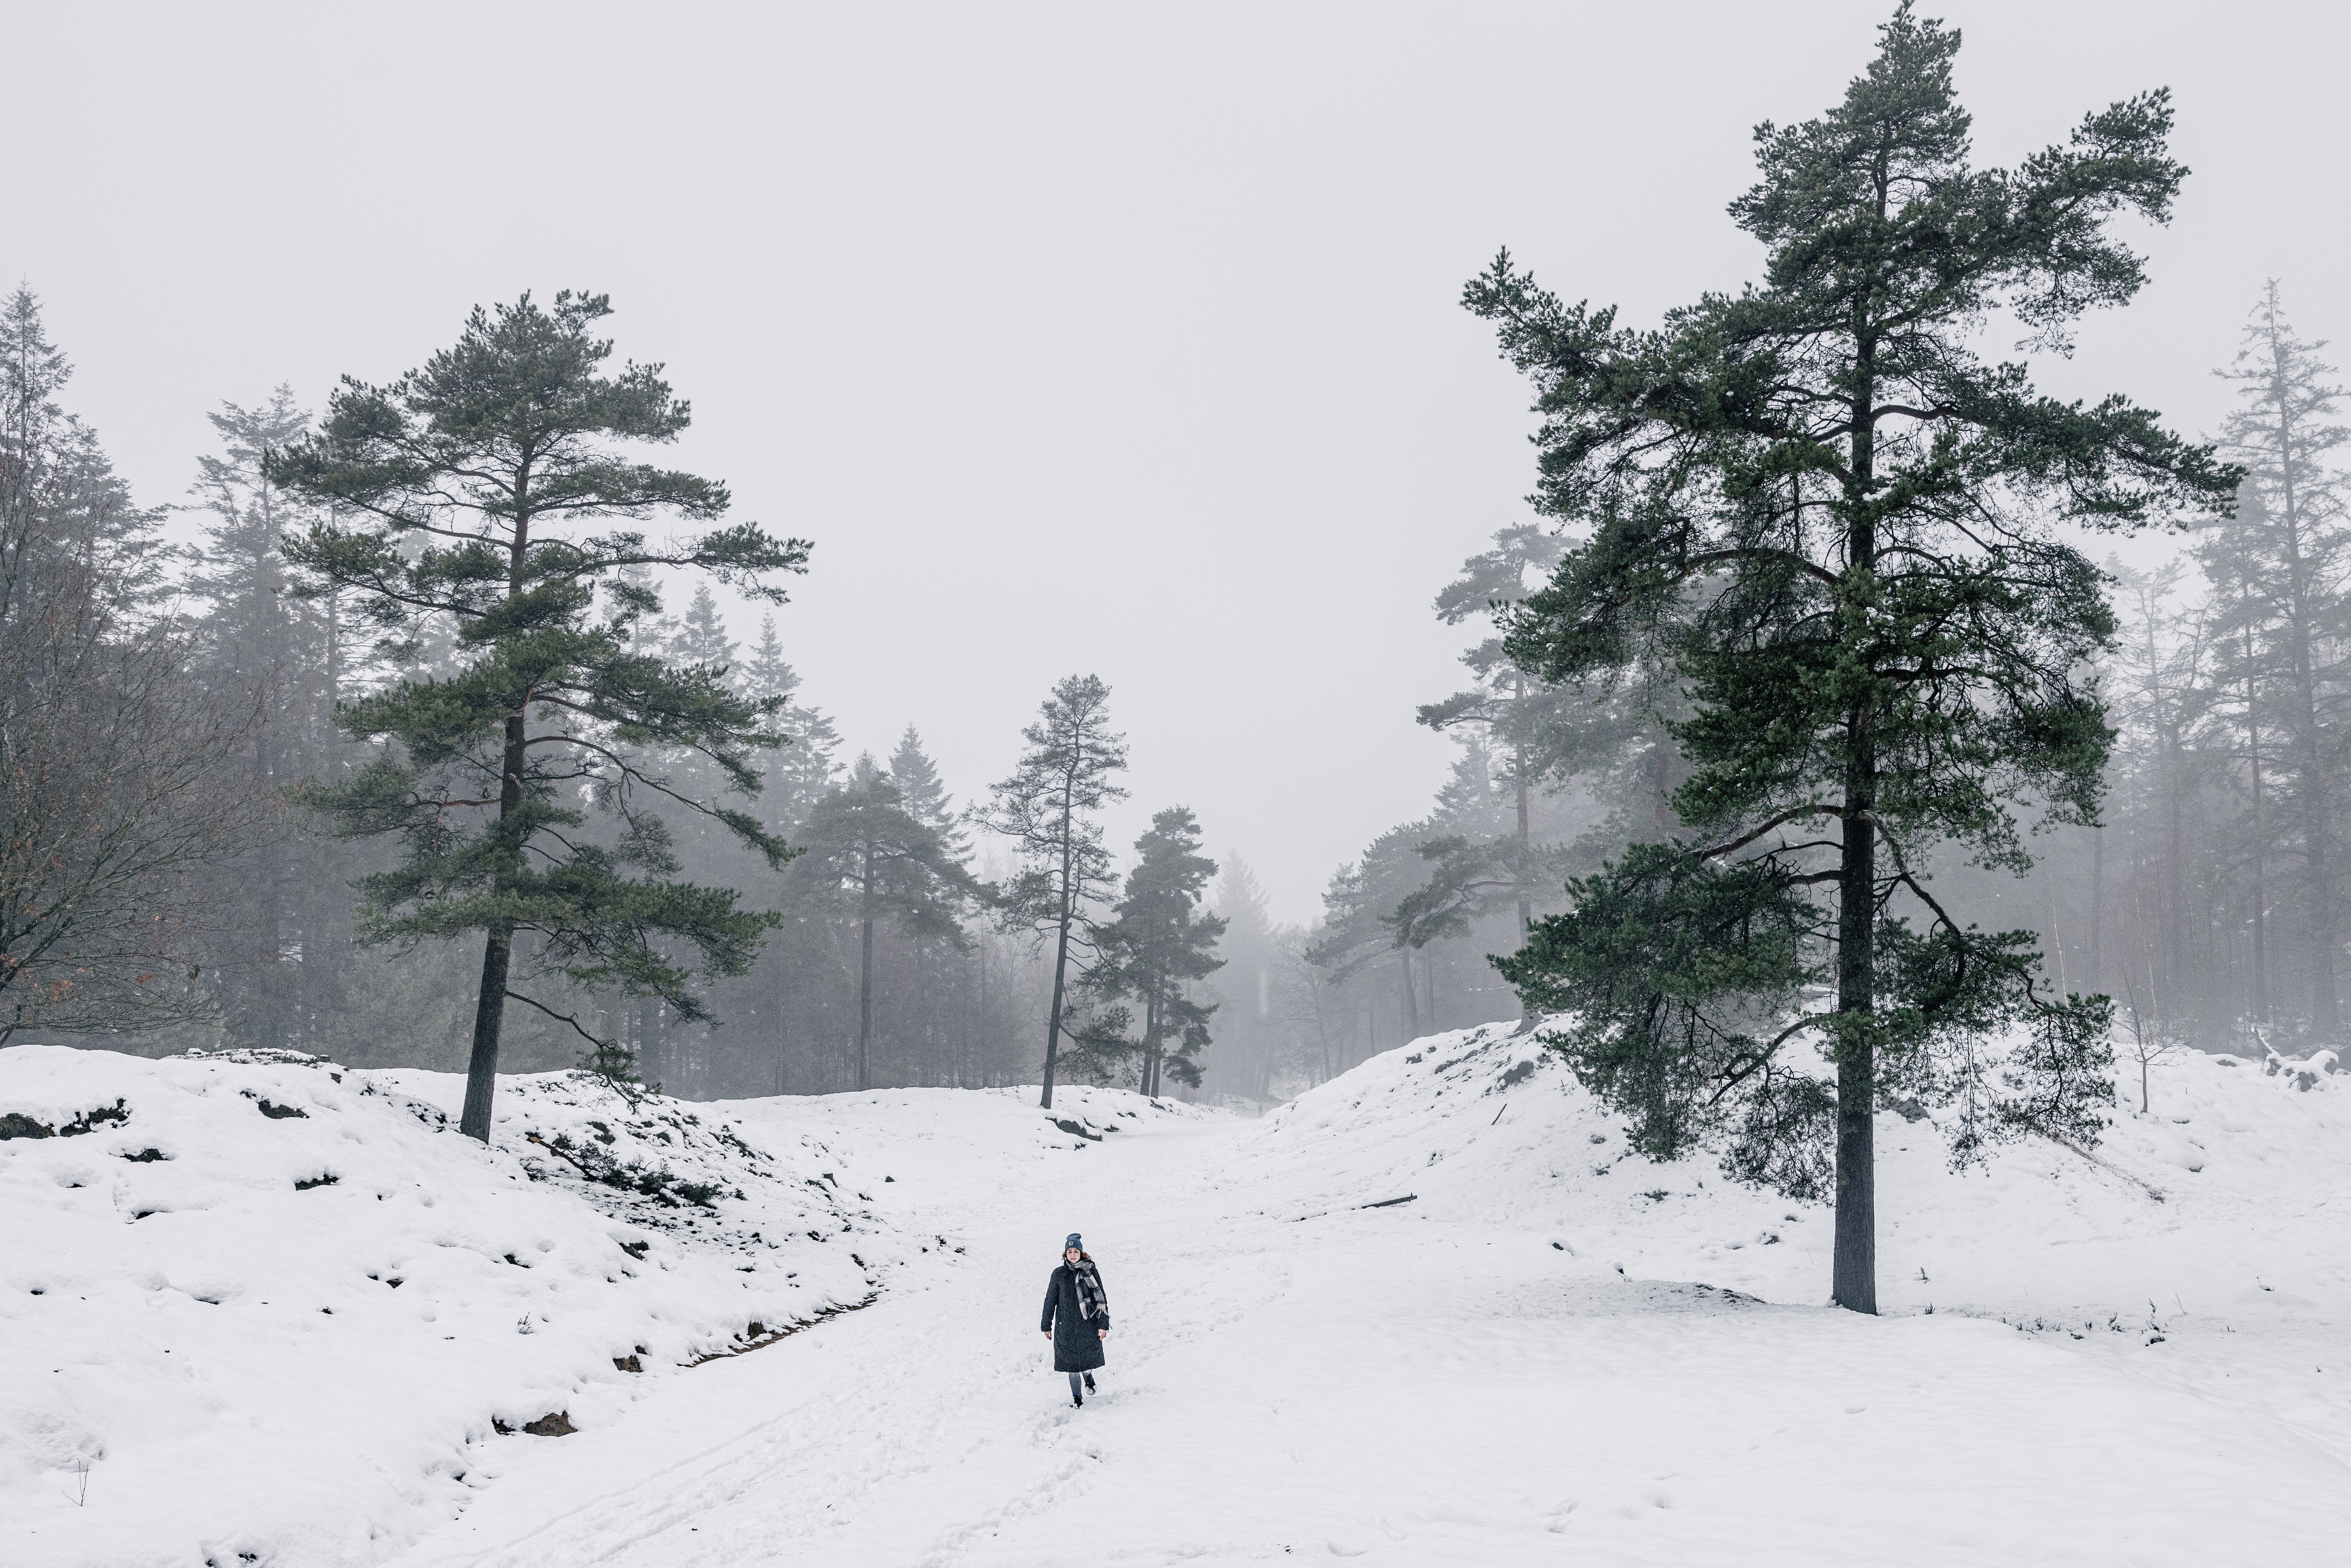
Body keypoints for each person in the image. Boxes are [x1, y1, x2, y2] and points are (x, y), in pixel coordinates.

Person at [1040, 1232, 1109, 1406]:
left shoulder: (1090, 1271)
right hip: (1066, 1328)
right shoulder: (1059, 1274)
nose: (1072, 1255)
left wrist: (1103, 1324)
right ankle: (1077, 1399)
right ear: (1065, 1255)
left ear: (1081, 1253)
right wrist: (1046, 1325)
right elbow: (1050, 1300)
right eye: (1069, 1252)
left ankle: (1088, 1376)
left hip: (1089, 1325)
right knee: (1072, 1368)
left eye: (1075, 1252)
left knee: (1086, 1363)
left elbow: (1100, 1297)